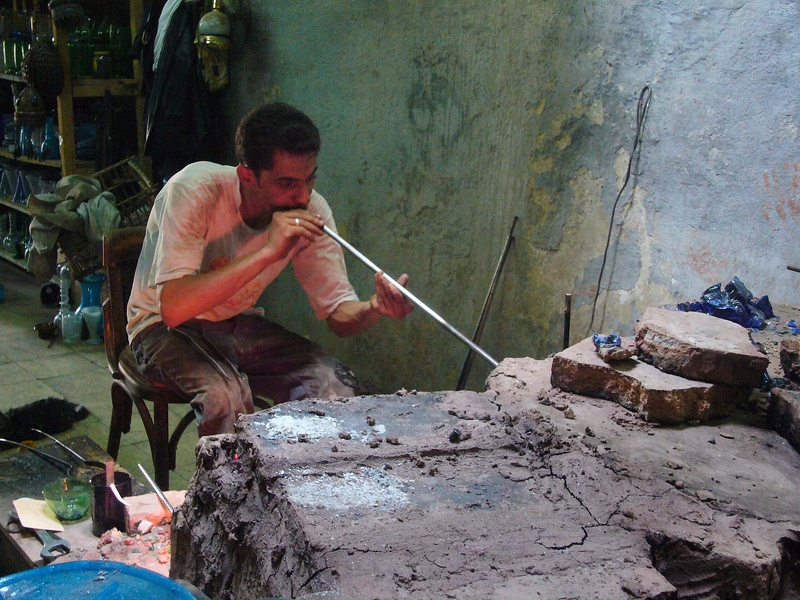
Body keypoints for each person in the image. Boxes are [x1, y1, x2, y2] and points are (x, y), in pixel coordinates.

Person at [126, 102, 413, 436]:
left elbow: (338, 314)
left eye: (310, 179)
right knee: (226, 397)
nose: (303, 196)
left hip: (237, 325)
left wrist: (374, 308)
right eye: (287, 183)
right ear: (247, 176)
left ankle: (305, 482)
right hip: (162, 329)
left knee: (335, 385)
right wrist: (267, 251)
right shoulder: (194, 190)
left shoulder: (310, 207)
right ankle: (228, 486)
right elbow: (174, 308)